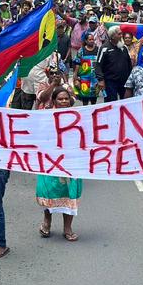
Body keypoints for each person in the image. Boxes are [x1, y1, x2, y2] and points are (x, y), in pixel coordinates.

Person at [36, 87, 82, 242]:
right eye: (60, 99)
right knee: (49, 191)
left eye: (66, 98)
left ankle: (67, 228)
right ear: (54, 101)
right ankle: (47, 221)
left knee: (70, 192)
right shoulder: (46, 117)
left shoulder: (79, 117)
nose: (63, 101)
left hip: (71, 161)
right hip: (51, 161)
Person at [95, 25, 133, 101]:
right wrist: (100, 80)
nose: (121, 36)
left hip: (124, 81)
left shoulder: (123, 48)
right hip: (110, 82)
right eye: (119, 34)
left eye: (121, 33)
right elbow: (98, 65)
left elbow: (129, 64)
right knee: (111, 102)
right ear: (112, 36)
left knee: (126, 102)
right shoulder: (104, 48)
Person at [73, 32, 99, 105]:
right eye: (90, 39)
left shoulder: (98, 50)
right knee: (85, 99)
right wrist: (75, 77)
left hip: (95, 78)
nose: (92, 41)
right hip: (84, 78)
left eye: (93, 39)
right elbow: (77, 64)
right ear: (86, 41)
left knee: (94, 99)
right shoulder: (81, 51)